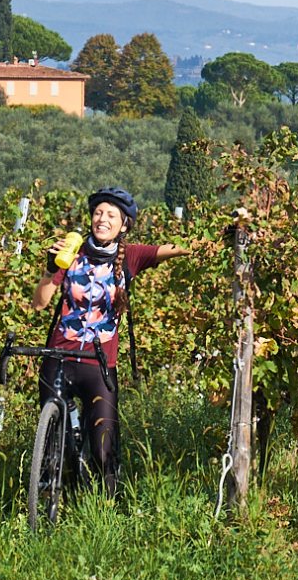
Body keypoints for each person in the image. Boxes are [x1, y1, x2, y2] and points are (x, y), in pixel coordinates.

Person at [31, 187, 193, 494]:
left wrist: (215, 242)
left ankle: (105, 507)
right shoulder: (71, 252)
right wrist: (50, 269)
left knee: (104, 447)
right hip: (58, 357)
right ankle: (49, 491)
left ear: (124, 224)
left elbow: (175, 248)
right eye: (97, 213)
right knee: (54, 437)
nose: (101, 219)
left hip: (99, 366)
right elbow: (40, 303)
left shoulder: (130, 256)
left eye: (110, 215)